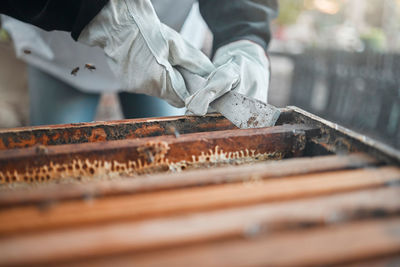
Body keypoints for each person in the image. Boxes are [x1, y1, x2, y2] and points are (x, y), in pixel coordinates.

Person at [0, 0, 278, 120]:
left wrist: (245, 34)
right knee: (56, 171)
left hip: (169, 55)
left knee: (170, 161)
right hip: (64, 50)